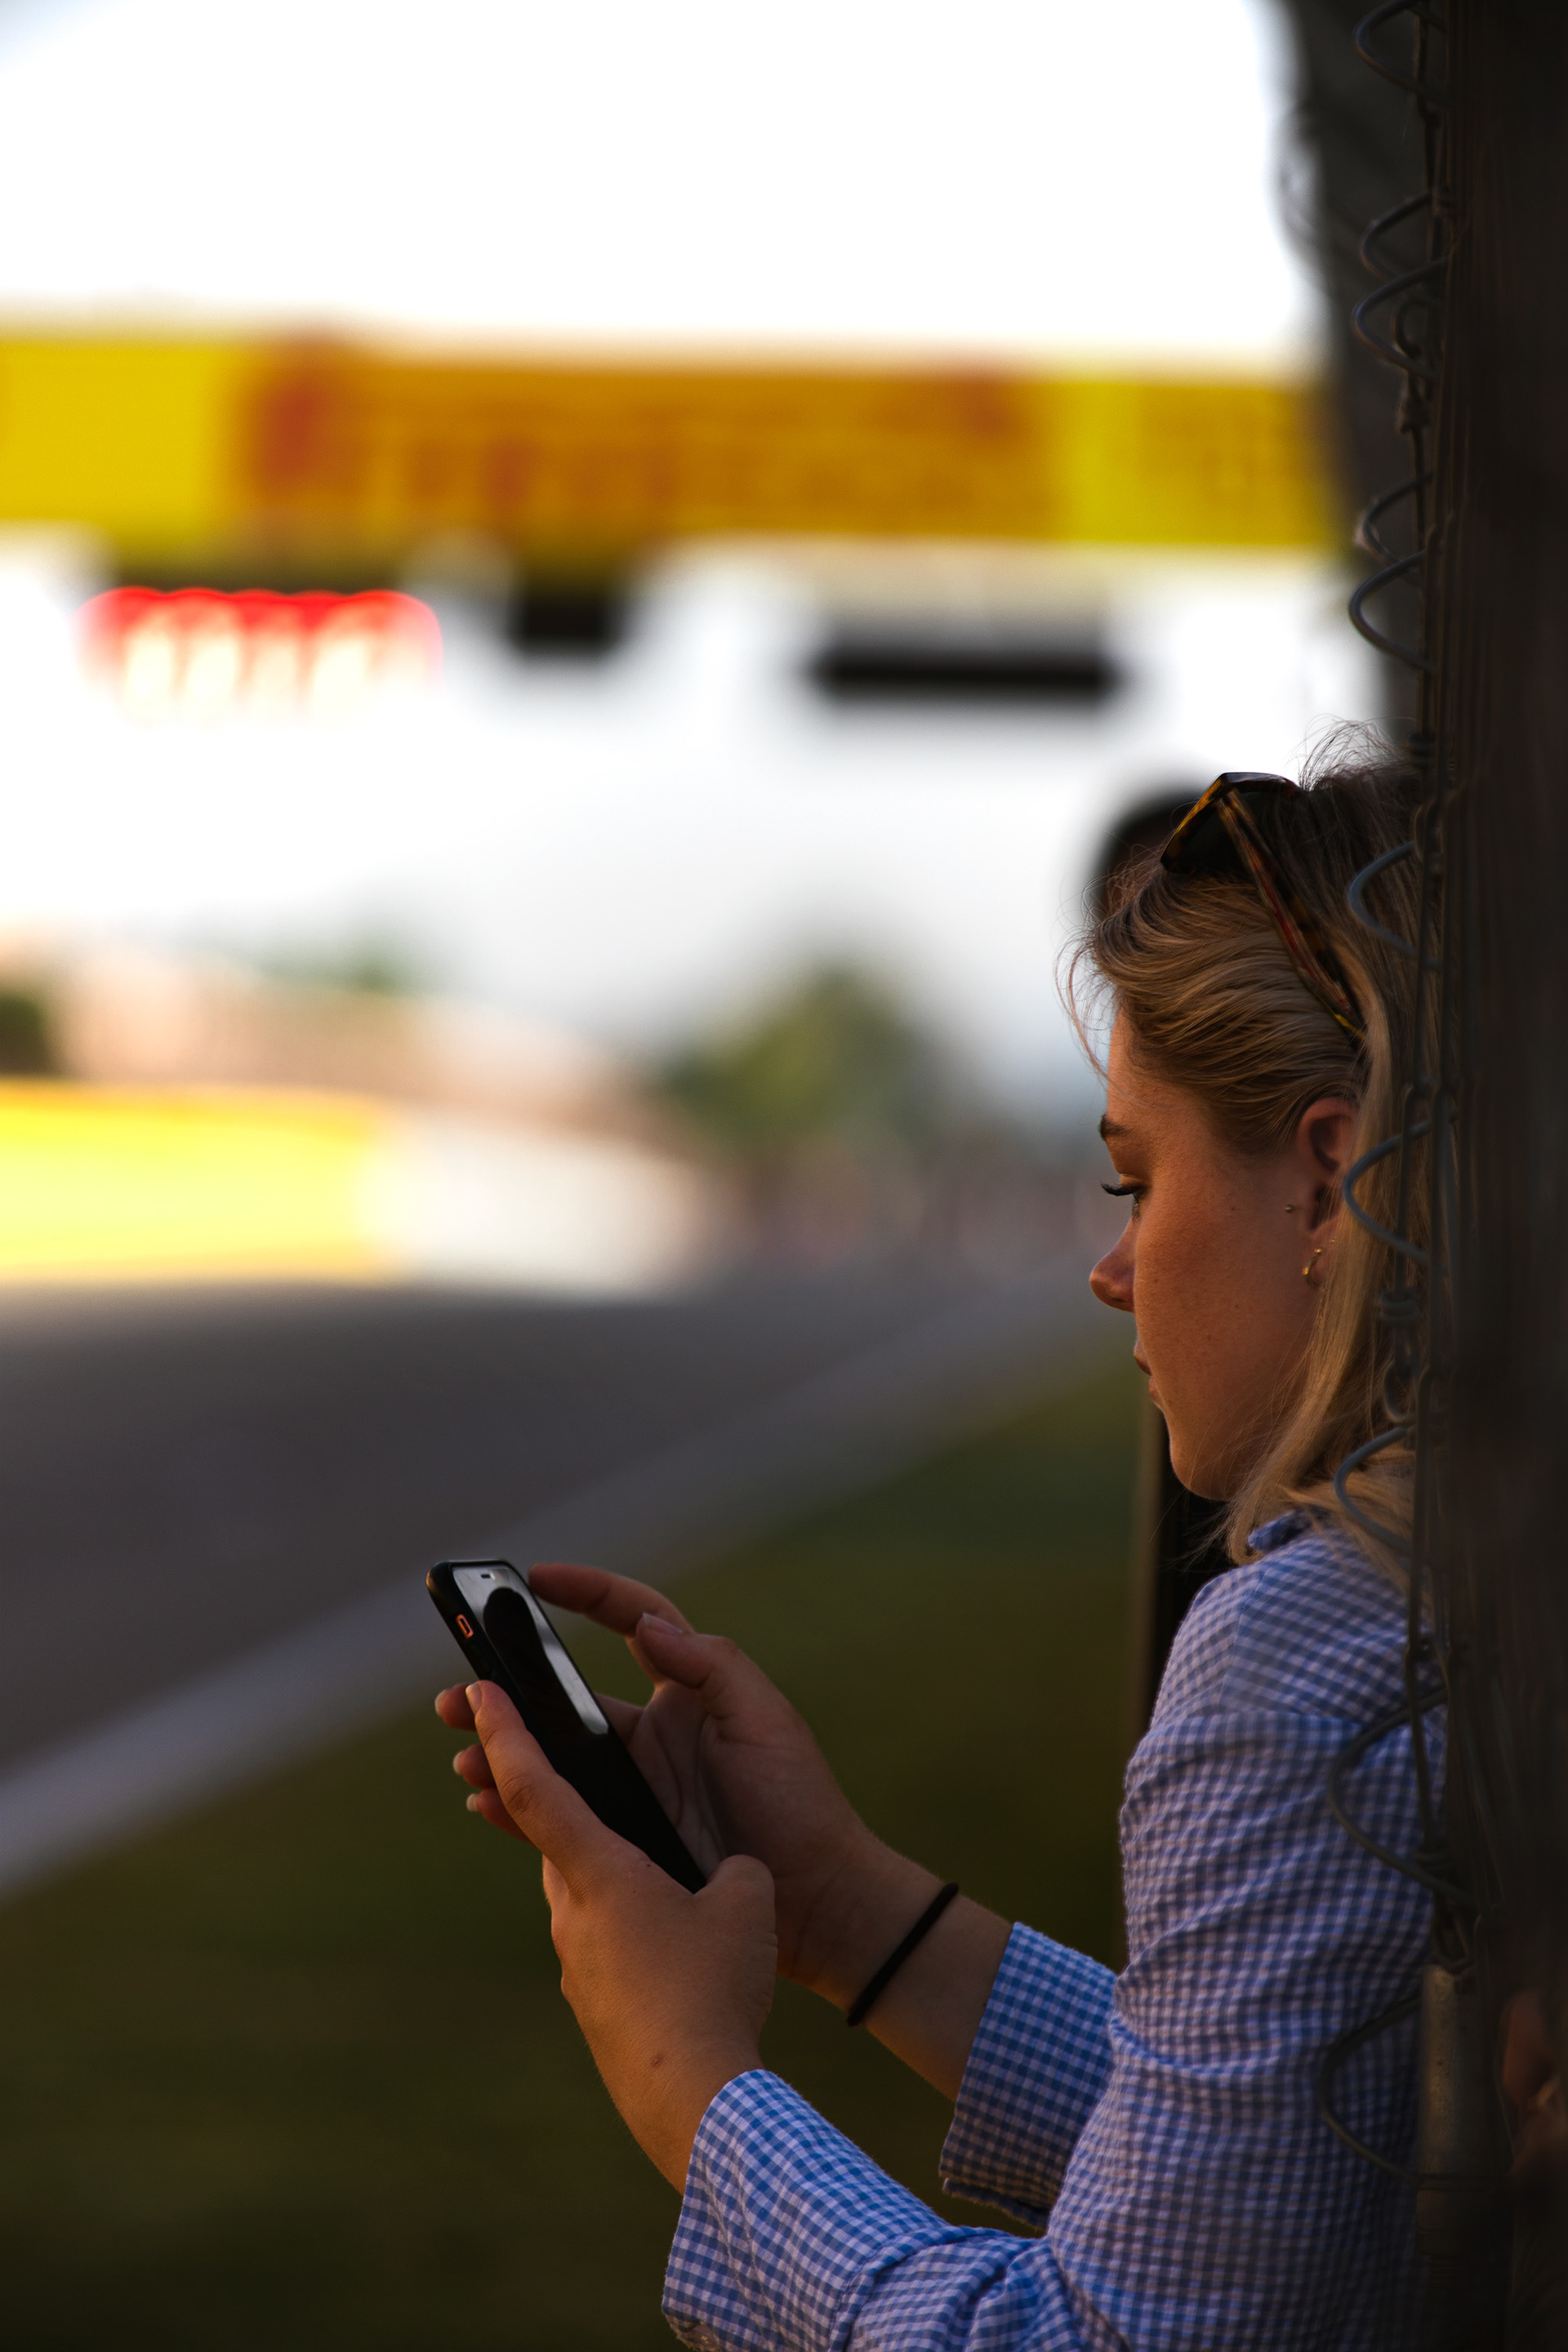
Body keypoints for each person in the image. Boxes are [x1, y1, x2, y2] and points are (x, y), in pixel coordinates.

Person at [437, 746, 1436, 2350]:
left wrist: (693, 2083)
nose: (1113, 1266)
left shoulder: (1311, 1638)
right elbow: (1278, 2163)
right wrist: (839, 1907)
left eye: (1138, 1178)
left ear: (1330, 1179)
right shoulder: (1462, 1565)